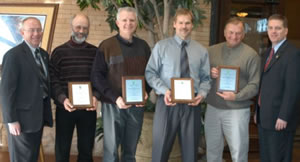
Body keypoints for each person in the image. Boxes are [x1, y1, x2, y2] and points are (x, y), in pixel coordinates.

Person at [145, 8, 211, 162]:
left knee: (190, 153)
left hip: (192, 105)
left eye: (187, 23)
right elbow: (150, 73)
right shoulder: (161, 47)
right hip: (167, 103)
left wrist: (201, 94)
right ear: (174, 24)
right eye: (180, 22)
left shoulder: (201, 51)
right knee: (160, 150)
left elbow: (206, 78)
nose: (184, 26)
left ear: (192, 25)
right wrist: (164, 91)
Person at [91, 7, 151, 162]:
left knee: (130, 151)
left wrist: (146, 91)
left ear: (136, 23)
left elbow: (150, 74)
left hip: (136, 106)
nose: (128, 23)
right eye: (124, 20)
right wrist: (115, 97)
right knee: (111, 151)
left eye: (132, 20)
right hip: (113, 105)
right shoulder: (106, 46)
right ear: (117, 22)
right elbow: (96, 76)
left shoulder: (143, 46)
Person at [205, 17, 261, 162]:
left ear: (243, 35)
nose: (234, 36)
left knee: (238, 152)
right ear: (224, 32)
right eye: (231, 32)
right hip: (213, 108)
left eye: (238, 33)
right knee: (212, 151)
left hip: (237, 110)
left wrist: (236, 96)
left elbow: (254, 85)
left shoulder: (251, 55)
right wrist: (209, 73)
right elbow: (199, 77)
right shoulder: (211, 51)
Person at [0, 17, 53, 162]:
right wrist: (11, 120)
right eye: (31, 30)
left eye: (38, 30)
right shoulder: (13, 56)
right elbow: (6, 91)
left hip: (38, 119)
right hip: (21, 121)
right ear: (22, 32)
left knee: (31, 157)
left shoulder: (43, 55)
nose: (36, 33)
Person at [49, 13, 99, 162]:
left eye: (85, 27)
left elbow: (99, 78)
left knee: (86, 148)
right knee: (62, 148)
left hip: (88, 109)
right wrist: (62, 99)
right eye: (78, 27)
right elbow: (53, 80)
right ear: (71, 27)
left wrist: (95, 95)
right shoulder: (59, 52)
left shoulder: (95, 52)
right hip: (65, 108)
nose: (81, 31)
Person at [255, 14, 300, 162]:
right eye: (271, 28)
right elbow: (264, 85)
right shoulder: (268, 52)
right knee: (266, 157)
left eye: (278, 28)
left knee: (278, 158)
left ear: (286, 31)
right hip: (264, 117)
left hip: (279, 120)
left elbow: (293, 88)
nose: (273, 31)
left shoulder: (293, 54)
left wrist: (284, 116)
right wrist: (257, 110)